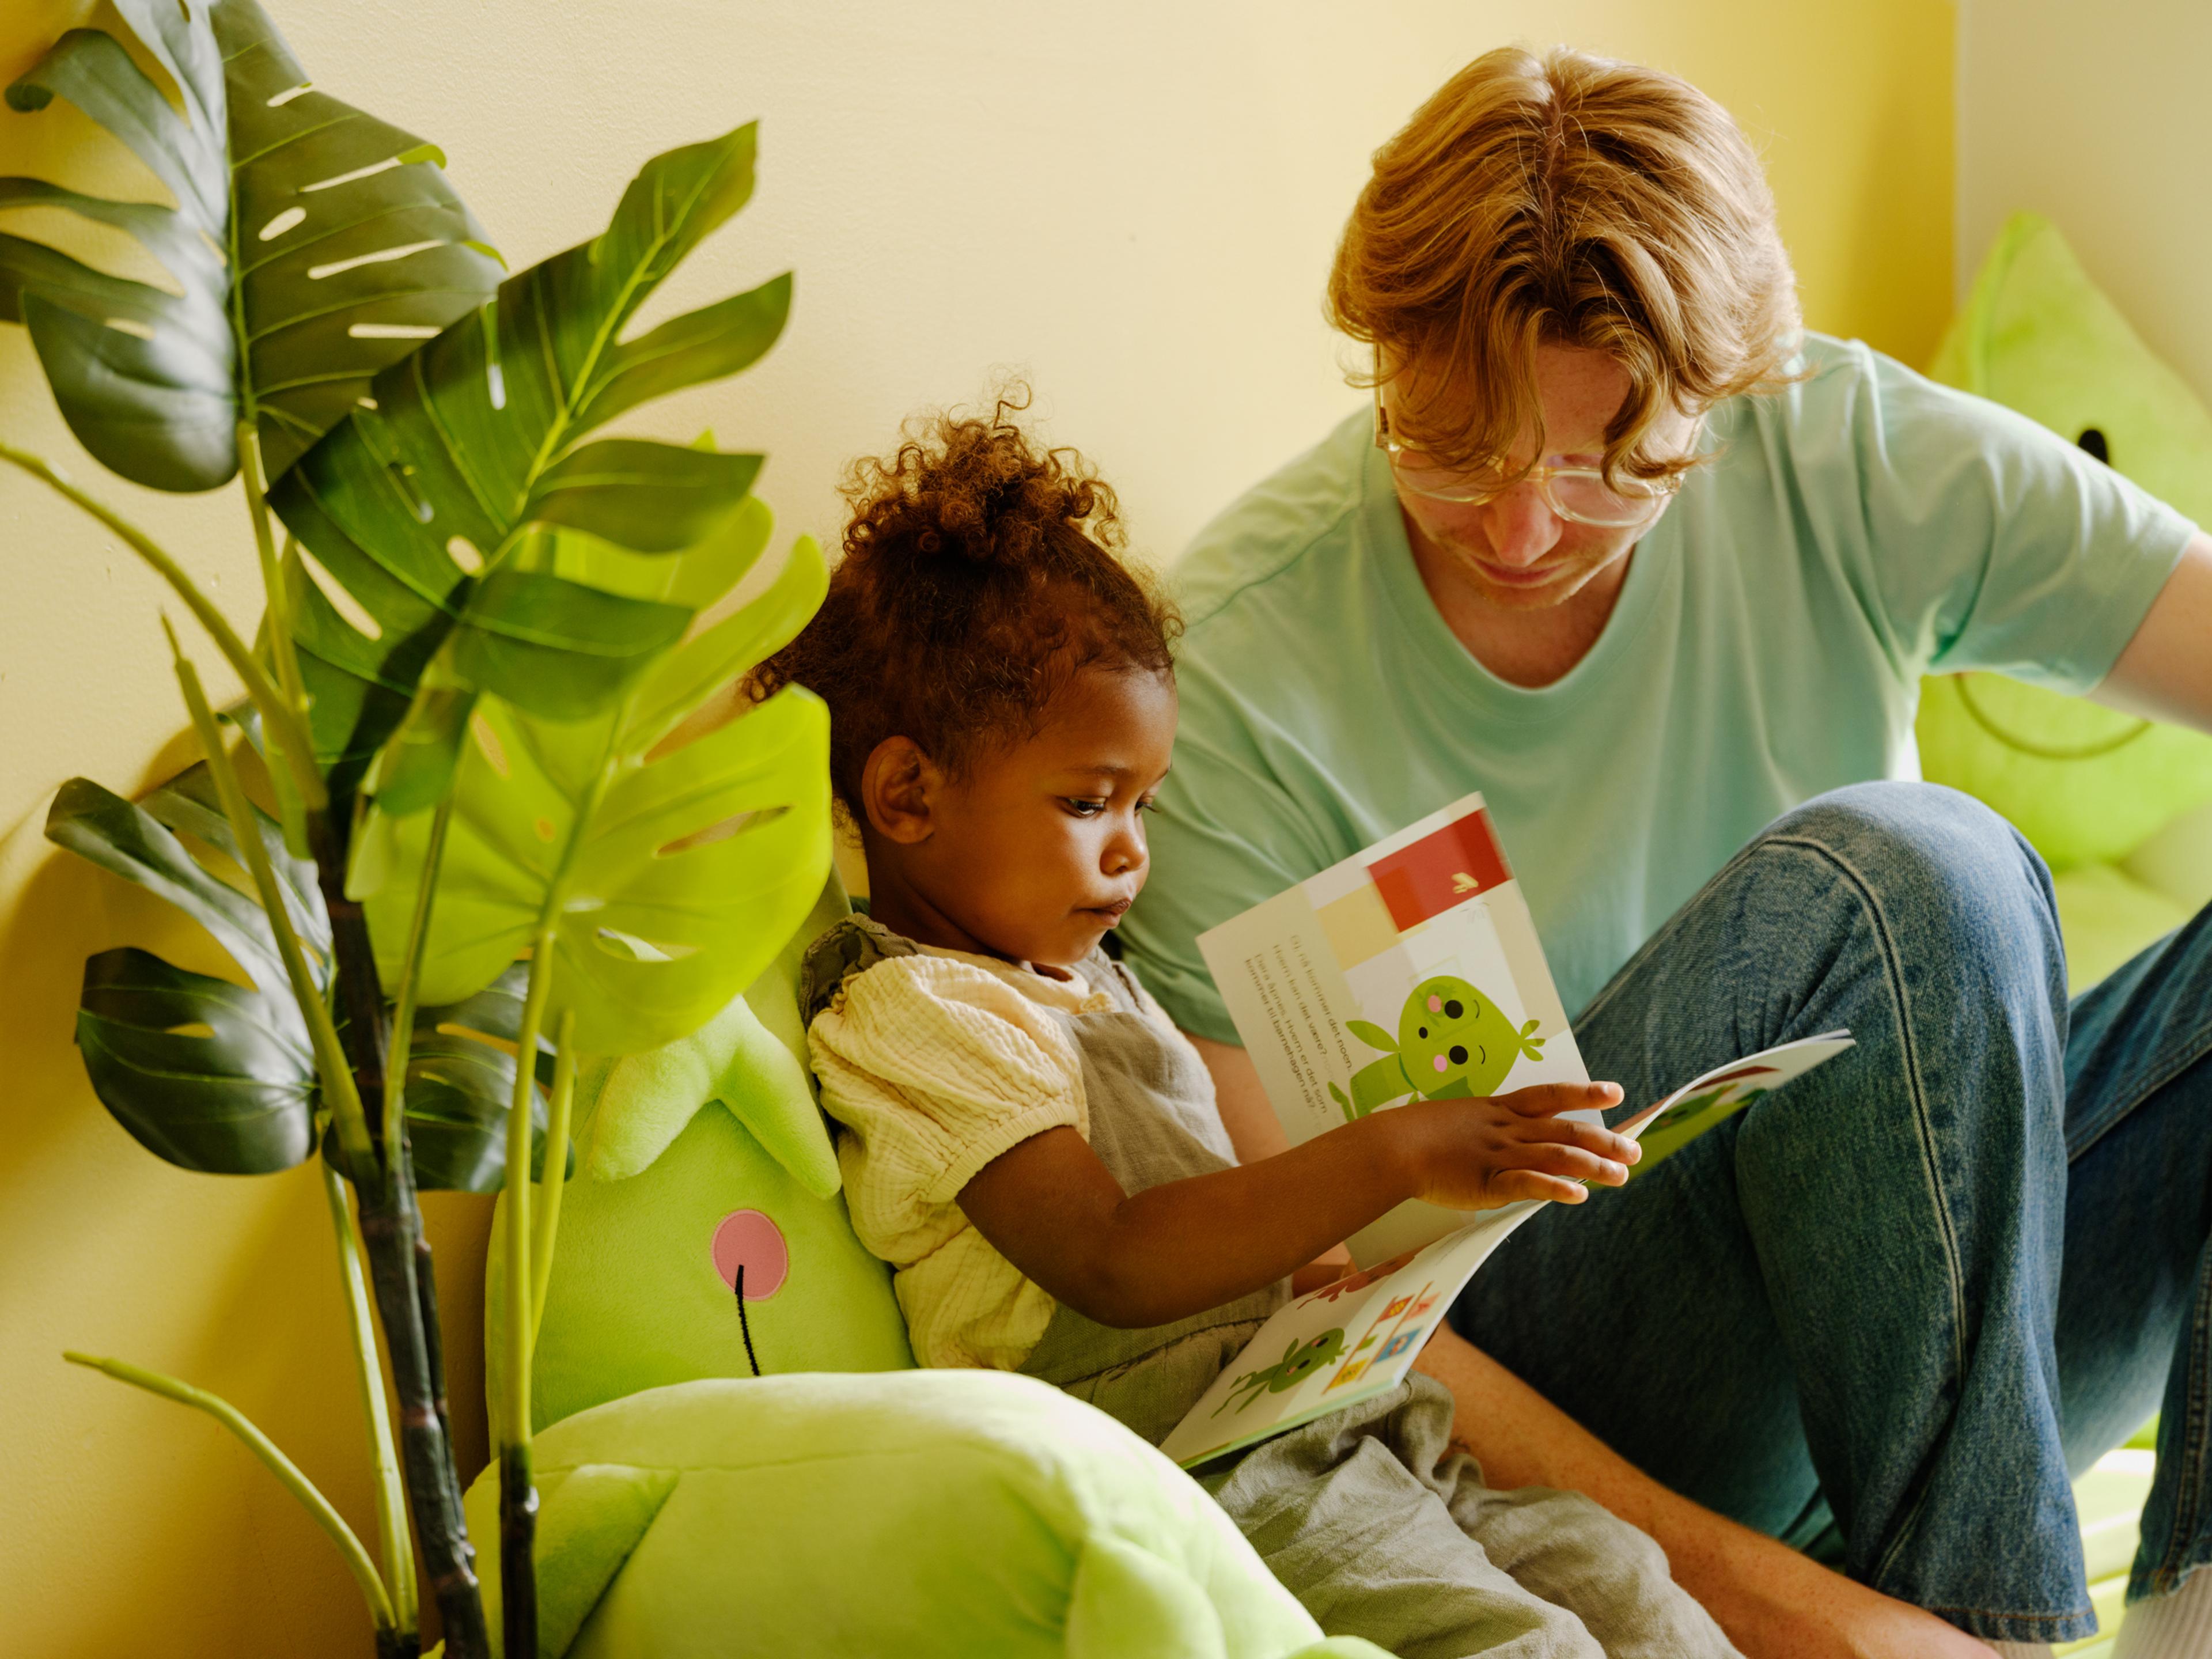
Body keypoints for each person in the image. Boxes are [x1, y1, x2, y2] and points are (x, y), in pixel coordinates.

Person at [1116, 42, 2212, 1659]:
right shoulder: (1233, 680)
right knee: (1903, 875)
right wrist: (1818, 1629)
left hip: (1938, 1334)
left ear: (1717, 404)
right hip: (1573, 1370)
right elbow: (1320, 1320)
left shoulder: (1836, 449)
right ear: (1377, 355)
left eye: (1603, 469)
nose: (1518, 531)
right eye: (1450, 446)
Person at [762, 402, 1745, 1657]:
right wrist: (1390, 1157)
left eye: (1145, 804)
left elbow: (1215, 1221)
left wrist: (1357, 1270)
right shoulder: (916, 1010)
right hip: (1183, 1461)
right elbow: (1110, 1258)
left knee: (1630, 1587)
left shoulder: (1087, 977)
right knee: (1520, 1645)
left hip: (1308, 1412)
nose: (1131, 852)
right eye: (1088, 802)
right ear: (907, 794)